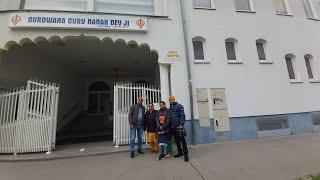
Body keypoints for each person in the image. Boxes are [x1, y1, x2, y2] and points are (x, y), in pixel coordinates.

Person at [168, 96, 189, 162]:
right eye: (170, 100)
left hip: (179, 127)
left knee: (183, 142)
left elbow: (182, 116)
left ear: (174, 99)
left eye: (172, 100)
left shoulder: (179, 106)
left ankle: (186, 155)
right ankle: (180, 153)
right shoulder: (170, 107)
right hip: (173, 127)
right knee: (177, 142)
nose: (171, 101)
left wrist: (181, 125)